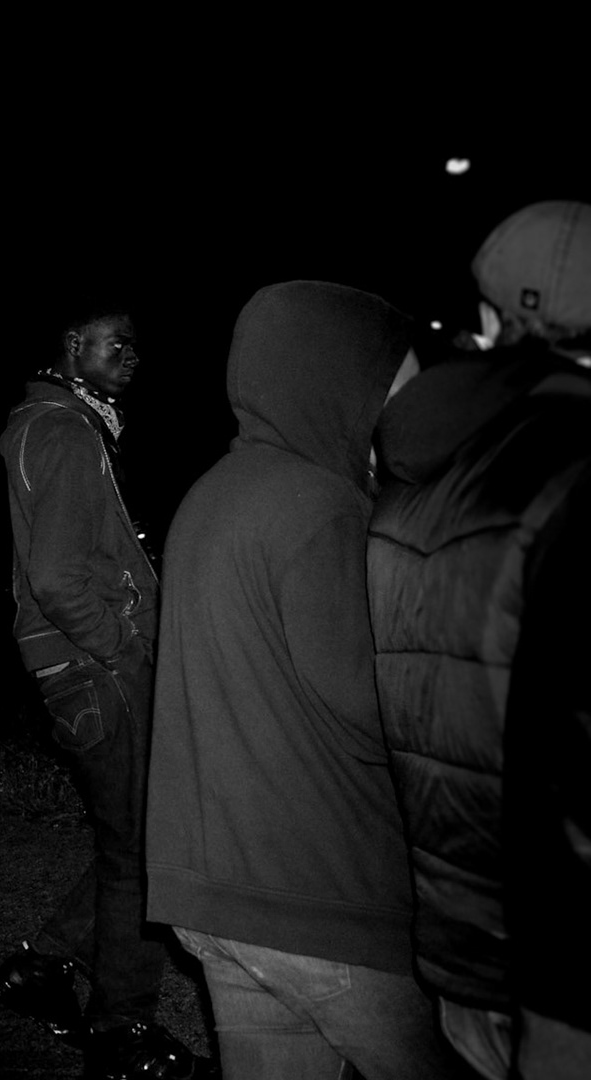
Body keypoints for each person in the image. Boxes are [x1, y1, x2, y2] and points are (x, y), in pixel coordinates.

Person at [146, 280, 471, 1079]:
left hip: (217, 895)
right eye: (394, 389)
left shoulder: (212, 494)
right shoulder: (323, 510)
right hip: (325, 905)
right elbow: (374, 706)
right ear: (335, 381)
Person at [367, 200, 591, 1079]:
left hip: (462, 936)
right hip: (565, 961)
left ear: (493, 320)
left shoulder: (421, 471)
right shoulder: (571, 464)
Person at [0, 305, 205, 1078]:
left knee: (132, 840)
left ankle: (42, 965)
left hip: (75, 667)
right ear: (71, 348)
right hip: (96, 670)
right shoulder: (65, 433)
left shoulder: (53, 426)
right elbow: (53, 577)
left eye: (136, 346)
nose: (133, 358)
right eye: (117, 344)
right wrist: (123, 647)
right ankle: (123, 1031)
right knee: (142, 855)